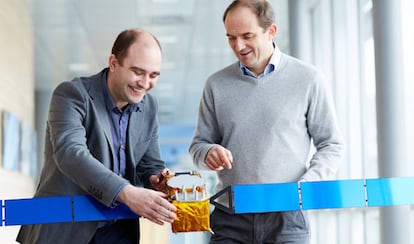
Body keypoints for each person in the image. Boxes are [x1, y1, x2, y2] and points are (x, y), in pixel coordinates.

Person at [189, 0, 345, 243]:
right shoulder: (216, 84)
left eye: (247, 36)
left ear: (271, 31)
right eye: (231, 37)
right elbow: (199, 145)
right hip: (230, 216)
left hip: (287, 216)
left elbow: (332, 145)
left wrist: (307, 184)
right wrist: (208, 151)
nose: (238, 46)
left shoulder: (308, 79)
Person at [17, 28, 177, 244]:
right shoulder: (71, 95)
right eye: (138, 72)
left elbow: (149, 164)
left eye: (153, 75)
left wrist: (156, 178)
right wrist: (127, 192)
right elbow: (71, 155)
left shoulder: (148, 106)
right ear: (113, 63)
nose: (145, 83)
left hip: (118, 232)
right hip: (65, 231)